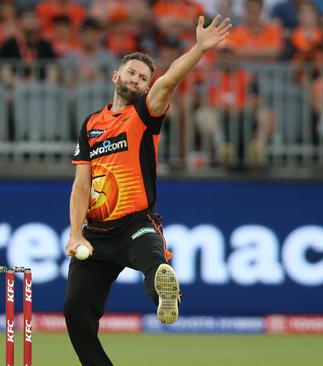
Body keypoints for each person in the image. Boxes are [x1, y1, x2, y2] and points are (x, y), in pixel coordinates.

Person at [64, 15, 231, 366]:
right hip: (97, 233)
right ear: (116, 76)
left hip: (135, 224)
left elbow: (169, 81)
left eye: (142, 78)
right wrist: (75, 233)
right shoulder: (91, 125)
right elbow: (82, 184)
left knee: (155, 262)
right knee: (75, 313)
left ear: (145, 88)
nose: (136, 80)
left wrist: (199, 48)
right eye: (132, 73)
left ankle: (164, 297)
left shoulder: (144, 113)